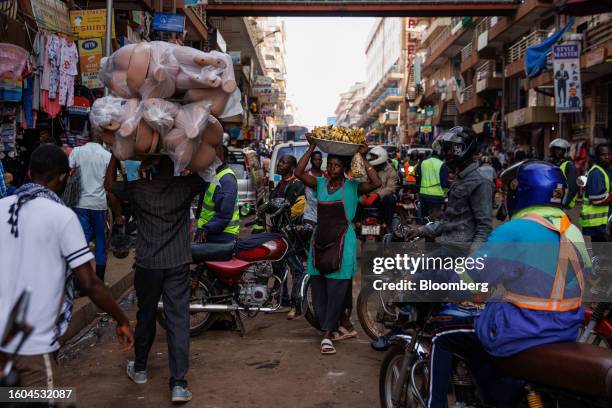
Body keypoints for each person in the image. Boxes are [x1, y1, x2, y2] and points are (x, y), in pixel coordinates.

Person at [423, 160, 590, 407]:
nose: (504, 199)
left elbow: (472, 278)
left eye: (506, 193)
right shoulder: (572, 230)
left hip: (523, 330)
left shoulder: (514, 230)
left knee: (442, 330)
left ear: (520, 192)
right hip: (566, 328)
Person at [0, 144, 133, 387]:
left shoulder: (2, 208)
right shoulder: (61, 216)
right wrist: (121, 319)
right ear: (62, 177)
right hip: (32, 347)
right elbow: (89, 283)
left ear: (29, 173)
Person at [105, 155, 207, 402]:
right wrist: (188, 158)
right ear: (175, 168)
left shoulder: (139, 188)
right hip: (177, 263)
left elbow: (108, 184)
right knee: (178, 320)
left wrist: (115, 155)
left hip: (148, 264)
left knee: (146, 314)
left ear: (150, 169)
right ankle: (179, 385)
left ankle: (140, 369)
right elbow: (206, 172)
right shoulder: (184, 187)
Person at [296, 136, 382, 355]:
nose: (331, 168)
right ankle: (344, 326)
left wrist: (362, 156)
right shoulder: (321, 183)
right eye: (329, 164)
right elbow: (298, 172)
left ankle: (327, 335)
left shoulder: (352, 186)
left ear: (343, 168)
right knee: (318, 288)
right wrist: (311, 147)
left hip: (344, 242)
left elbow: (376, 183)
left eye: (336, 165)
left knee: (336, 290)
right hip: (320, 240)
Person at [406, 127, 493, 247]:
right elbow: (448, 221)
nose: (446, 154)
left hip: (461, 252)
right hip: (448, 245)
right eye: (446, 150)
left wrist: (471, 262)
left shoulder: (480, 182)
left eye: (450, 150)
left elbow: (484, 229)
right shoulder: (460, 178)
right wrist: (420, 231)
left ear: (462, 149)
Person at [69, 134, 112, 282]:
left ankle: (80, 281)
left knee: (82, 241)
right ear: (102, 140)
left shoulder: (77, 151)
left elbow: (69, 171)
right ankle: (99, 279)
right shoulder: (107, 155)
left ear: (88, 138)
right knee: (100, 239)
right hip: (98, 203)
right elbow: (110, 181)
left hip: (80, 202)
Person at [269, 154, 306, 317]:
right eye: (279, 162)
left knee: (295, 268)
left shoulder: (296, 186)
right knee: (278, 267)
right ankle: (281, 301)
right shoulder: (279, 185)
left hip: (290, 233)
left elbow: (298, 209)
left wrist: (284, 218)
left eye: (284, 162)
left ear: (292, 167)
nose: (279, 164)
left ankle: (296, 304)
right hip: (277, 232)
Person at [195, 145, 240, 244]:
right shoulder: (212, 175)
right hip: (209, 232)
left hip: (221, 235)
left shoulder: (226, 179)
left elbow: (224, 214)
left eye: (217, 156)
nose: (213, 158)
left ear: (224, 159)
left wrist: (206, 229)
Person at [580, 143, 612, 243]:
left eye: (609, 154)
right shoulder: (596, 173)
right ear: (597, 157)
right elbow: (596, 199)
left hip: (604, 223)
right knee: (602, 255)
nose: (607, 157)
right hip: (598, 225)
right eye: (603, 154)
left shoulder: (606, 170)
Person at [362, 146, 397, 231]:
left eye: (375, 157)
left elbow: (391, 188)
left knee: (391, 199)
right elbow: (363, 181)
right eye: (372, 156)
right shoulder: (369, 168)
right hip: (368, 197)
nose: (372, 158)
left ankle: (387, 224)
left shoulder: (391, 171)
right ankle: (357, 223)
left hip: (382, 199)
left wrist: (377, 195)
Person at [416, 149, 449, 220]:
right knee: (435, 220)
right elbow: (444, 183)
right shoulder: (442, 165)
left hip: (423, 195)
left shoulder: (423, 163)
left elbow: (418, 179)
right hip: (436, 197)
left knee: (425, 219)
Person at [549, 138, 578, 209]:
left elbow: (572, 186)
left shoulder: (569, 165)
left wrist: (563, 203)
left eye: (560, 150)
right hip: (549, 196)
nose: (557, 152)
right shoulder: (550, 163)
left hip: (560, 196)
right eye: (555, 149)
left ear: (565, 151)